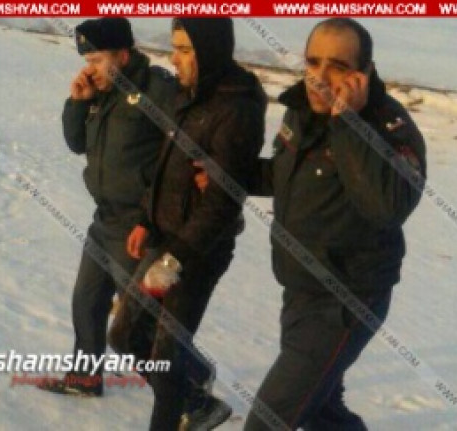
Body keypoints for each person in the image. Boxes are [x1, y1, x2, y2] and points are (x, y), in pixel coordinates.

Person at [239, 18, 427, 430]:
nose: (320, 77)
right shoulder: (301, 111)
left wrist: (348, 122)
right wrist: (224, 172)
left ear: (364, 72)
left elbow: (387, 206)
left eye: (338, 66)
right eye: (313, 62)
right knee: (322, 411)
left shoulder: (391, 128)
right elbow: (285, 176)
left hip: (345, 299)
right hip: (300, 287)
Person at [108, 18, 267, 431]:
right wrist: (146, 219)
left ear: (209, 52)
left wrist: (175, 258)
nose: (173, 59)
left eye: (183, 50)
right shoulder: (190, 92)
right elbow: (167, 164)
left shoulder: (238, 109)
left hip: (197, 252)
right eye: (174, 47)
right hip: (164, 237)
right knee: (124, 336)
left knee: (166, 354)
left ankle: (178, 412)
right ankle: (195, 401)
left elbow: (223, 202)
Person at [38, 17, 176, 396]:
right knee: (87, 302)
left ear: (123, 55)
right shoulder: (101, 91)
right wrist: (77, 103)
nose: (91, 69)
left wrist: (151, 219)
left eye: (98, 60)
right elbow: (76, 143)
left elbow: (182, 156)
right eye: (88, 61)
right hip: (104, 220)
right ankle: (85, 378)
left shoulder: (156, 90)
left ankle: (190, 390)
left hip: (138, 226)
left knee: (139, 321)